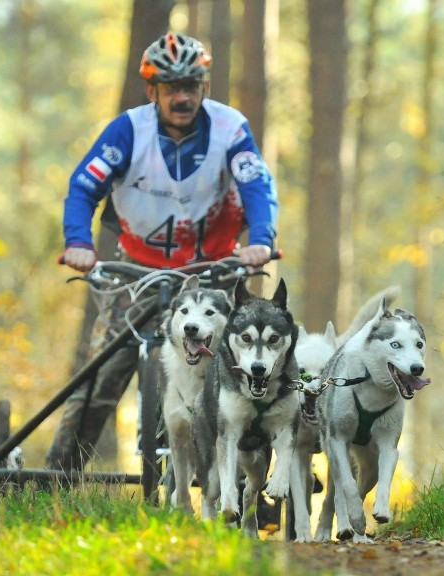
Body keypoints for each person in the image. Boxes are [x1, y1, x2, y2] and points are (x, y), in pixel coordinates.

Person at [46, 31, 279, 472]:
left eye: (191, 86)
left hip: (213, 273)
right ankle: (56, 480)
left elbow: (257, 187)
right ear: (152, 91)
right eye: (171, 88)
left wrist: (261, 239)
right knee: (101, 374)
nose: (182, 97)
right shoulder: (127, 132)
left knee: (248, 364)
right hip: (137, 271)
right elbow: (83, 188)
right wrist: (78, 242)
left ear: (204, 88)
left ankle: (256, 476)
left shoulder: (230, 129)